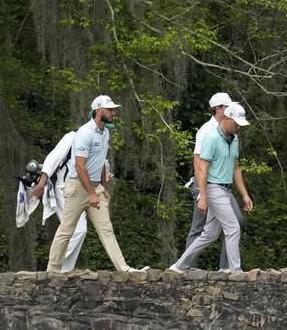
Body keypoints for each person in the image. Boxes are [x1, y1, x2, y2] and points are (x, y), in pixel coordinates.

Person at [46, 95, 146, 273]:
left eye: (113, 109)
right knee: (66, 230)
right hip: (77, 187)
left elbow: (100, 161)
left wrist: (102, 188)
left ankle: (124, 269)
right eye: (110, 110)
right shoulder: (85, 132)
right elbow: (80, 166)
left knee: (106, 229)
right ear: (98, 111)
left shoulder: (105, 132)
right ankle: (51, 272)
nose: (114, 112)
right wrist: (92, 193)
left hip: (94, 187)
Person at [168, 103, 253, 274]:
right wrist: (203, 196)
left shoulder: (234, 139)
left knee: (210, 234)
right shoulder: (211, 137)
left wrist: (244, 195)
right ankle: (235, 270)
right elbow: (202, 169)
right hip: (213, 189)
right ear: (226, 118)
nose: (238, 127)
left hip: (225, 190)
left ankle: (178, 266)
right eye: (235, 123)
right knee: (233, 227)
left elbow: (235, 167)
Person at [184, 92, 244, 269]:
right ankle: (186, 267)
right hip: (205, 184)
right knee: (199, 227)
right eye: (226, 106)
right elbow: (198, 160)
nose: (229, 109)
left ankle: (227, 267)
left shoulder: (230, 132)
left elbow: (233, 164)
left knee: (236, 222)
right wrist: (201, 192)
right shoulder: (207, 130)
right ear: (218, 109)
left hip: (221, 187)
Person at [30, 129, 88, 272]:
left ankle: (62, 269)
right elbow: (53, 158)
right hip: (64, 188)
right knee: (78, 229)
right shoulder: (73, 137)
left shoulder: (97, 141)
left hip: (81, 191)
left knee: (78, 230)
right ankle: (58, 269)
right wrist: (42, 183)